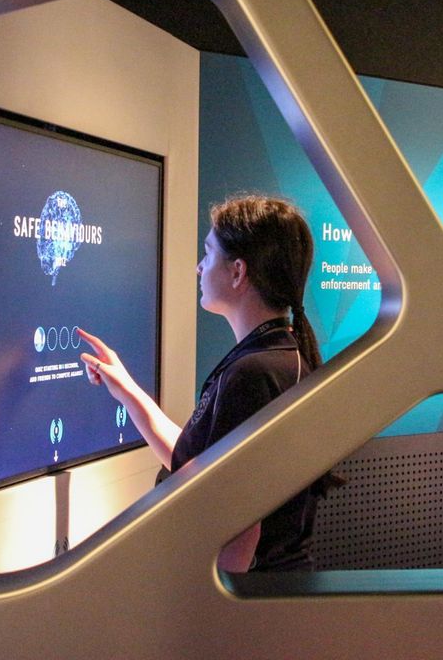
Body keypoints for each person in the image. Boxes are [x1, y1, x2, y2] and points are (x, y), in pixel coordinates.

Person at [77, 194, 322, 572]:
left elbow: (238, 526)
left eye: (208, 254)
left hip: (251, 597)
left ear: (238, 272)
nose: (198, 267)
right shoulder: (283, 357)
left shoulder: (252, 374)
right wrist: (126, 388)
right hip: (275, 588)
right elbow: (196, 463)